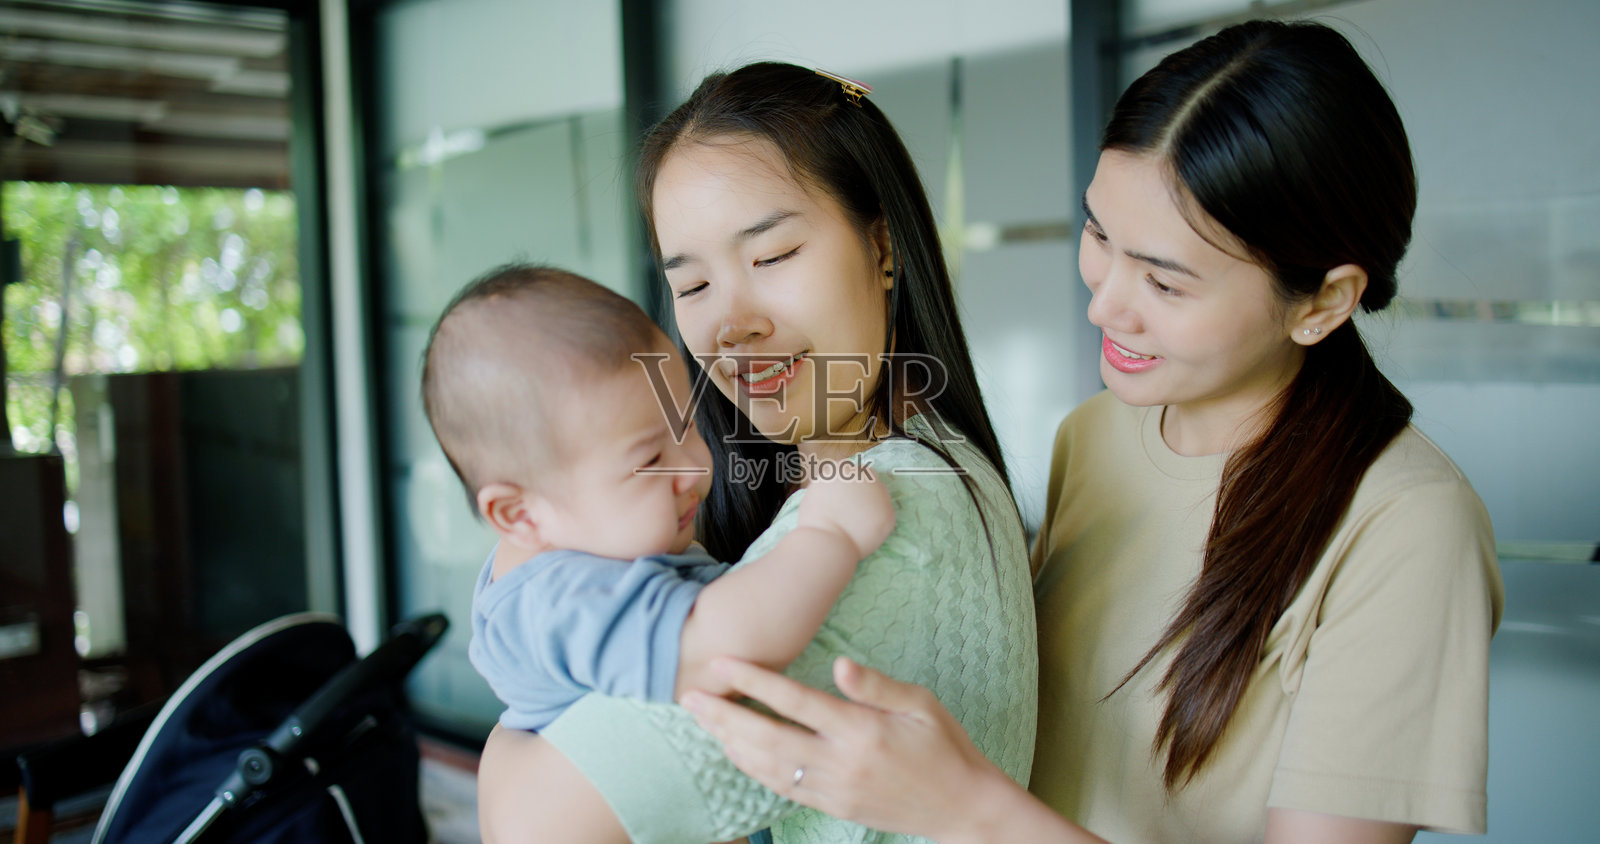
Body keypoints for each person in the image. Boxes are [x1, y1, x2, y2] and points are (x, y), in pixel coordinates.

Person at [681, 19, 1503, 844]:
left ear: (1323, 302)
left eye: (1165, 282)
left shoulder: (1408, 525)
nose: (1105, 303)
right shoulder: (1098, 436)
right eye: (1101, 236)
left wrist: (963, 806)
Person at [475, 64, 1039, 843]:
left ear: (883, 245)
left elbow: (542, 827)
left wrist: (510, 725)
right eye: (694, 284)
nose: (730, 324)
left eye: (771, 257)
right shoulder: (894, 472)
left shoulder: (883, 515)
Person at [419, 264, 894, 732]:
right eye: (648, 461)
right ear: (520, 514)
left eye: (686, 425)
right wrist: (829, 533)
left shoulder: (588, 542)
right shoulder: (562, 602)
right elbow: (723, 654)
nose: (691, 466)